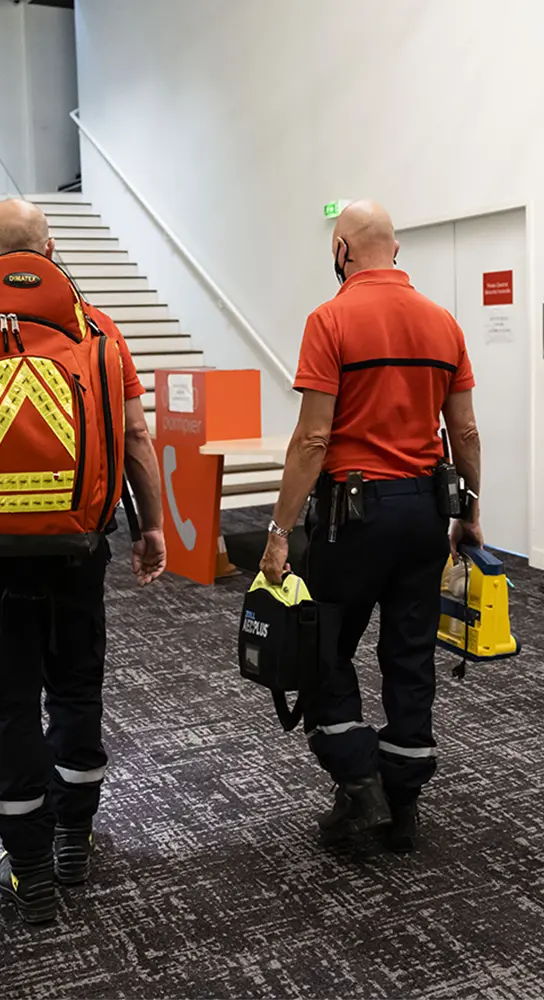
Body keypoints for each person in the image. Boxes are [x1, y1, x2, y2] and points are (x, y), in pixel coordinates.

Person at [0, 199, 166, 923]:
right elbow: (136, 439)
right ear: (50, 248)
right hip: (79, 542)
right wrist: (152, 528)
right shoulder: (97, 330)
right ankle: (75, 839)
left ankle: (30, 871)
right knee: (76, 686)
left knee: (9, 699)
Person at [260, 200, 482, 852]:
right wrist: (469, 508)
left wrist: (278, 530)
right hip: (423, 514)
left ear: (340, 251)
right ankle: (405, 803)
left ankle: (360, 783)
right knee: (410, 654)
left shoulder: (330, 320)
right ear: (397, 251)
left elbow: (312, 439)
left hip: (350, 518)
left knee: (324, 645)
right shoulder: (444, 323)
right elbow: (463, 429)